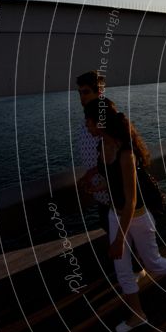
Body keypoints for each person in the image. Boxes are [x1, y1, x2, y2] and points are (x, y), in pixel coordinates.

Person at [83, 99, 166, 332]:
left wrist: (119, 238)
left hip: (136, 217)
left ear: (99, 122)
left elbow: (131, 201)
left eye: (88, 121)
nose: (86, 125)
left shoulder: (125, 153)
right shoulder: (102, 147)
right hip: (115, 215)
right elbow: (113, 183)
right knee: (122, 270)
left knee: (153, 263)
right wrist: (95, 187)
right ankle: (138, 314)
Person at [76, 71, 113, 233]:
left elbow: (116, 157)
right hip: (102, 196)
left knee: (125, 246)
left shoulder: (108, 120)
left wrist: (91, 173)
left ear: (99, 92)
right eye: (79, 92)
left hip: (115, 196)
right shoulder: (87, 120)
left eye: (86, 92)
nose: (81, 97)